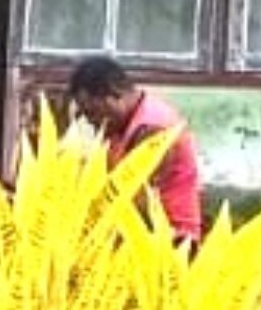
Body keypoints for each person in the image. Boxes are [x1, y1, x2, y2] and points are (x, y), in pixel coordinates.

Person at [65, 55, 207, 248]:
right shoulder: (120, 124)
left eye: (92, 113)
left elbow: (136, 205)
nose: (90, 122)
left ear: (114, 94)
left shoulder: (153, 129)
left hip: (168, 244)